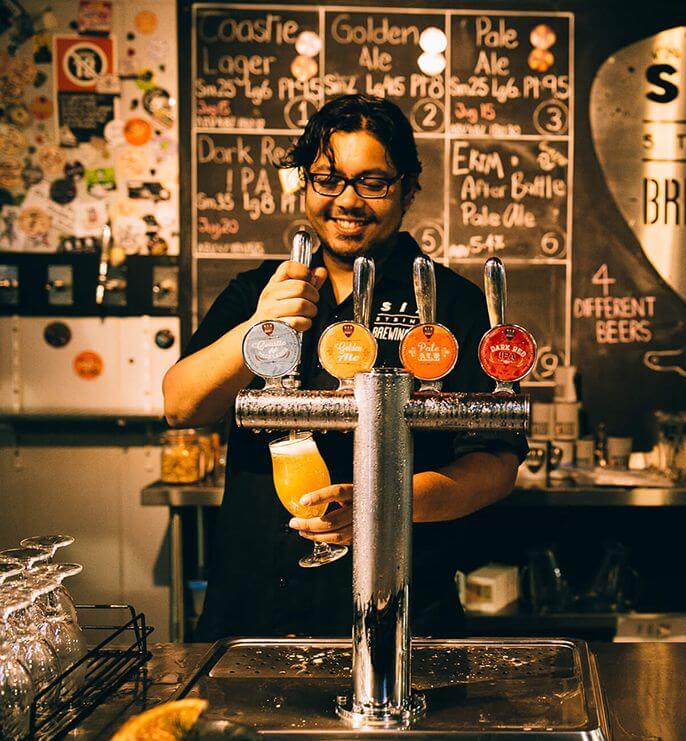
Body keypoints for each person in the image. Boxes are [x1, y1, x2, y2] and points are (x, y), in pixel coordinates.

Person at [163, 94, 525, 640]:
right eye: (327, 179)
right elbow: (179, 406)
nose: (347, 200)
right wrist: (258, 329)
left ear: (407, 188)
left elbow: (495, 465)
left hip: (399, 610)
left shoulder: (452, 305)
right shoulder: (260, 292)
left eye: (372, 182)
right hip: (256, 606)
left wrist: (387, 505)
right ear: (306, 185)